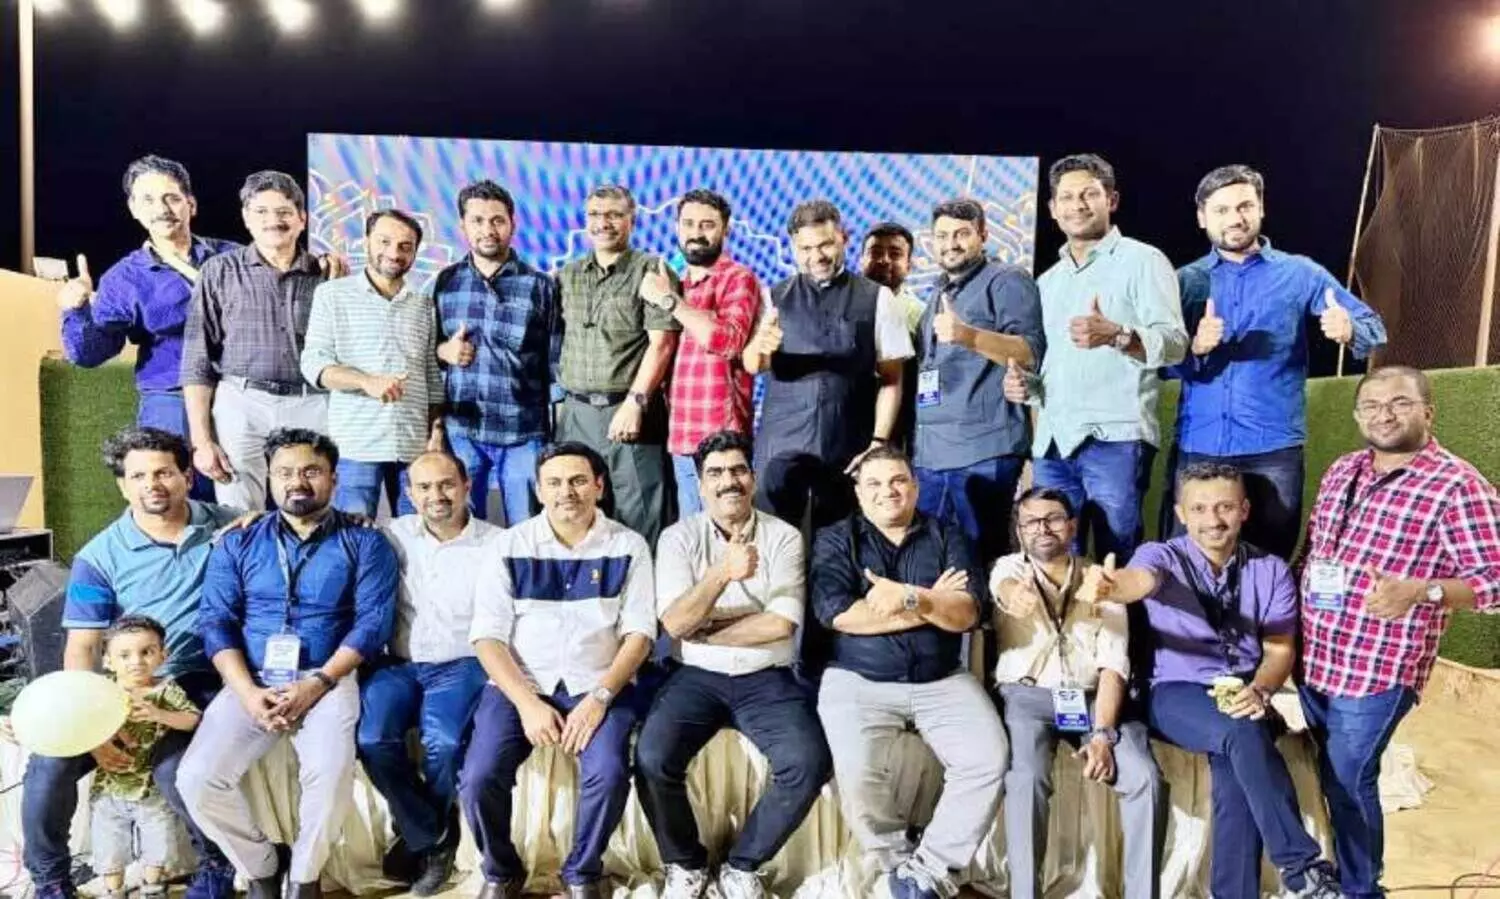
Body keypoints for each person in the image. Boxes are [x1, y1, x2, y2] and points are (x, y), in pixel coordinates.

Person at [1080, 462, 1339, 899]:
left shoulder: (1271, 569)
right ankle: (1302, 869)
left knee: (1238, 773)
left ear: (1244, 510)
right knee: (1242, 730)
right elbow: (1138, 581)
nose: (1212, 520)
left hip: (1244, 691)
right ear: (1181, 514)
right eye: (1199, 509)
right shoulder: (1160, 555)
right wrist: (1111, 586)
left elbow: (1279, 649)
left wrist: (1261, 689)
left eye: (1224, 507)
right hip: (1174, 693)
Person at [1298, 365, 1500, 899]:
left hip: (1379, 668)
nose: (1384, 414)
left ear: (1428, 411)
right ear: (1357, 414)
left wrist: (1421, 591)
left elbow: (1495, 579)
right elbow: (1316, 550)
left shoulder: (1459, 486)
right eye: (1371, 405)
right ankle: (1339, 875)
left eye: (1400, 403)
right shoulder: (1343, 469)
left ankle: (1362, 890)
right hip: (1316, 657)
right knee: (1328, 773)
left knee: (1349, 778)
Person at [20, 427, 241, 899]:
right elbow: (82, 647)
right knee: (48, 763)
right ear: (123, 486)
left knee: (174, 771)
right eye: (138, 476)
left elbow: (286, 525)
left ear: (186, 476)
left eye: (164, 472)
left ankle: (218, 868)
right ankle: (51, 882)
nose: (152, 484)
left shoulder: (228, 526)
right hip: (120, 690)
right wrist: (90, 730)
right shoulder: (98, 557)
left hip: (198, 680)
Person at [178, 429, 398, 899]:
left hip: (328, 677)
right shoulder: (237, 542)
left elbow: (372, 625)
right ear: (269, 479)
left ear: (334, 479)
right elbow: (216, 621)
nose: (297, 482)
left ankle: (304, 878)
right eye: (284, 472)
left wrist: (317, 684)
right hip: (251, 679)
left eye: (311, 471)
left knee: (330, 774)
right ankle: (262, 866)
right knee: (196, 779)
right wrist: (246, 692)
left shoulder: (365, 541)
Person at [636, 431, 831, 899]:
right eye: (716, 473)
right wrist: (723, 573)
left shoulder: (783, 536)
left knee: (808, 762)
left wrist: (703, 627)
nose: (729, 481)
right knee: (652, 758)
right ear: (701, 485)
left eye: (739, 470)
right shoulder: (678, 538)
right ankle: (686, 864)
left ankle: (743, 865)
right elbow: (675, 623)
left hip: (768, 676)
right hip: (695, 676)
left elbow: (780, 624)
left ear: (753, 478)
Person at [460, 442, 656, 899]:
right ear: (539, 490)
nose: (567, 492)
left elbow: (640, 635)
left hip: (599, 684)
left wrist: (601, 698)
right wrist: (527, 705)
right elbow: (486, 637)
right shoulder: (509, 545)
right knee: (478, 777)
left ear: (599, 486)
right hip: (521, 686)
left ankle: (581, 872)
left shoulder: (628, 545)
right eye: (555, 483)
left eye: (578, 481)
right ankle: (501, 870)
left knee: (609, 773)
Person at [1164, 164, 1388, 559]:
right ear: (1202, 217)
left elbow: (1374, 328)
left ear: (1261, 208)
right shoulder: (1183, 282)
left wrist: (1349, 328)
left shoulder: (1300, 273)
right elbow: (1155, 360)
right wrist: (1192, 348)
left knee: (1269, 562)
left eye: (1244, 206)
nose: (1235, 218)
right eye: (1221, 210)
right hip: (1199, 446)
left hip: (1272, 450)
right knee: (1187, 565)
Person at [810, 445, 1002, 899]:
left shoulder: (948, 536)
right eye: (874, 483)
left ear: (915, 487)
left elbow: (966, 613)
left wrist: (908, 597)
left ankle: (929, 870)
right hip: (857, 679)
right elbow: (839, 614)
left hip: (942, 679)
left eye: (898, 480)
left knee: (988, 758)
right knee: (856, 771)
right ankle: (895, 861)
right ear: (859, 493)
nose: (888, 491)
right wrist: (930, 602)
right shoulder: (836, 539)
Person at [1005, 153, 1187, 560]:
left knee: (1115, 555)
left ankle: (1121, 606)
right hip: (1054, 443)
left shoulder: (1144, 261)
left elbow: (1175, 343)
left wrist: (1119, 335)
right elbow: (1051, 370)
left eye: (1089, 194)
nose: (1078, 205)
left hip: (1116, 439)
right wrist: (1025, 386)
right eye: (1067, 197)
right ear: (1052, 209)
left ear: (1112, 199)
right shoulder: (1046, 282)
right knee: (1051, 557)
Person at [989, 488, 1164, 899]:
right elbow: (1004, 586)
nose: (1042, 528)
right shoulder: (1009, 568)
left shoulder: (1102, 580)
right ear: (1019, 531)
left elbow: (1113, 666)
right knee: (1027, 777)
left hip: (1092, 699)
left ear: (1071, 527)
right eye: (1031, 521)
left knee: (1145, 777)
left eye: (1053, 519)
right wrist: (1016, 594)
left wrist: (1102, 735)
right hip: (1028, 697)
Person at [55, 155, 238, 501]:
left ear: (191, 204)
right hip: (170, 401)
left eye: (171, 198)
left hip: (240, 395)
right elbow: (89, 354)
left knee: (253, 506)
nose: (162, 209)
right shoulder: (124, 278)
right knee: (178, 502)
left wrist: (320, 265)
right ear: (134, 209)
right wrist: (75, 310)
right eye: (148, 200)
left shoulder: (233, 258)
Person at [358, 451, 498, 895]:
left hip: (463, 662)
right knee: (372, 739)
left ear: (466, 486)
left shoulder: (497, 543)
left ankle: (425, 844)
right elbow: (330, 526)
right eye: (424, 487)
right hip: (398, 663)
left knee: (446, 743)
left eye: (446, 484)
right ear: (409, 493)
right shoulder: (391, 534)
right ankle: (432, 834)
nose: (436, 495)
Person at [745, 200, 914, 532]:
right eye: (806, 248)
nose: (817, 256)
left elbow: (892, 380)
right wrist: (761, 345)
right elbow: (753, 364)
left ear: (843, 238)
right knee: (776, 540)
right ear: (793, 248)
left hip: (849, 445)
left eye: (825, 244)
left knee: (842, 542)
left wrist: (878, 442)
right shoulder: (772, 297)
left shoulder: (879, 299)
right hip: (781, 447)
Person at [181, 171, 331, 512]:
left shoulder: (326, 275)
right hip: (241, 402)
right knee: (239, 511)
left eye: (283, 212)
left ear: (302, 219)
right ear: (247, 218)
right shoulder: (218, 271)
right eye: (261, 211)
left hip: (312, 403)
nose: (273, 220)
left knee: (312, 507)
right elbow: (197, 359)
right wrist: (202, 441)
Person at [914, 198, 1044, 564]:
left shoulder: (1006, 280)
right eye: (942, 236)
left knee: (982, 558)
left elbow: (1028, 352)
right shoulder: (938, 292)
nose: (951, 244)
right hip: (931, 453)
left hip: (984, 450)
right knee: (933, 560)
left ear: (983, 235)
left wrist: (968, 336)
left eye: (962, 234)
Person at [555, 185, 681, 546]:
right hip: (576, 416)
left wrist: (635, 403)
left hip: (630, 413)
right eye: (595, 215)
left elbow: (662, 344)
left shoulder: (651, 270)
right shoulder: (568, 275)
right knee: (577, 519)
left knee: (640, 522)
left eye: (614, 215)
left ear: (631, 220)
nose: (603, 223)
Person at [433, 180, 561, 525]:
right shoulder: (445, 282)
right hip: (463, 431)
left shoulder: (539, 285)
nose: (488, 230)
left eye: (497, 220)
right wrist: (443, 350)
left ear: (512, 225)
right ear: (463, 225)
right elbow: (429, 351)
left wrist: (554, 431)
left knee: (528, 529)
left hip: (523, 432)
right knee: (464, 530)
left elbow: (554, 362)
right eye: (477, 220)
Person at [301, 209, 442, 517]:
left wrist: (436, 433)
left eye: (405, 246)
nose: (394, 253)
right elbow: (314, 364)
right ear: (366, 242)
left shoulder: (423, 305)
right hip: (356, 445)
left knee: (418, 534)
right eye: (384, 241)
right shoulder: (332, 295)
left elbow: (431, 376)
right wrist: (366, 382)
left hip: (413, 445)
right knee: (354, 533)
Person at [638, 190, 759, 518]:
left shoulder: (738, 278)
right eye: (688, 223)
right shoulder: (677, 283)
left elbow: (727, 341)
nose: (696, 232)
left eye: (707, 225)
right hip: (681, 434)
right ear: (676, 227)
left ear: (726, 229)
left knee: (728, 529)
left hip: (722, 438)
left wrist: (668, 301)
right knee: (693, 533)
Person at [90, 615, 204, 899]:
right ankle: (113, 890)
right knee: (109, 845)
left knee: (158, 842)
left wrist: (160, 714)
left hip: (150, 788)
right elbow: (77, 718)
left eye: (146, 652)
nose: (136, 662)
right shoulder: (102, 691)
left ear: (163, 655)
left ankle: (153, 888)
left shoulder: (164, 690)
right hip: (110, 787)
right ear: (107, 661)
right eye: (125, 655)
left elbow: (192, 719)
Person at [860, 221, 925, 332]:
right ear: (861, 261)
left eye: (895, 254)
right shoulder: (839, 306)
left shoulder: (921, 316)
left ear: (908, 265)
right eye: (876, 252)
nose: (884, 260)